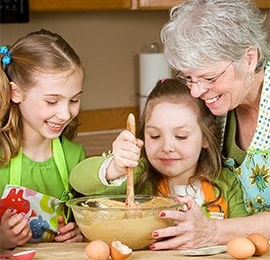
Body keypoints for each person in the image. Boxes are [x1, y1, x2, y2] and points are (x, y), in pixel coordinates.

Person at [153, 0, 270, 250]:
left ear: (249, 59)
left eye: (209, 78)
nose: (196, 91)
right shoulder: (212, 108)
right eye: (189, 78)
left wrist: (215, 231)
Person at [70, 78, 248, 241]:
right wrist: (114, 167)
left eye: (180, 136)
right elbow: (78, 180)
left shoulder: (226, 183)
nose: (167, 147)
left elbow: (241, 235)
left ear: (206, 137)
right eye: (155, 136)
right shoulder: (138, 174)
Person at [0, 29, 87, 249]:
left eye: (74, 100)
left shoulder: (74, 156)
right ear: (16, 93)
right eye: (52, 102)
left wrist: (79, 233)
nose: (65, 114)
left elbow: (86, 218)